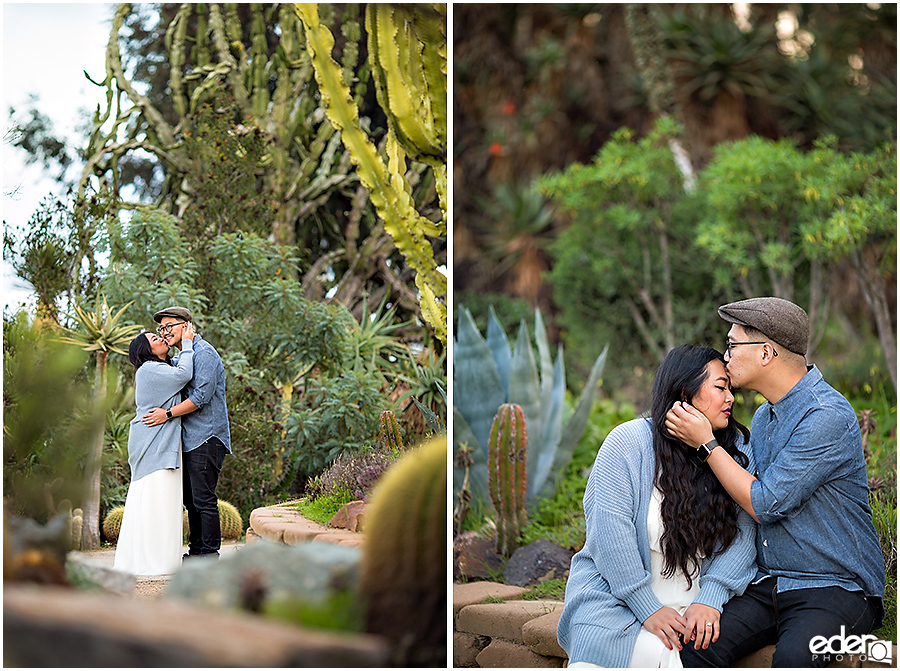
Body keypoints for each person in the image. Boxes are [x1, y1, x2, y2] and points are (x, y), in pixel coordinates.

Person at [666, 297, 884, 668]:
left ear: (766, 353)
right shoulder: (766, 416)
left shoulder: (824, 416)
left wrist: (706, 444)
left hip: (837, 589)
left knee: (795, 659)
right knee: (696, 647)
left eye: (733, 345)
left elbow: (765, 503)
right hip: (772, 585)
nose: (726, 355)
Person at [557, 345, 758, 668]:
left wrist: (712, 598)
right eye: (720, 387)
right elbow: (610, 533)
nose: (730, 398)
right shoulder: (627, 443)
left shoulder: (736, 452)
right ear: (684, 391)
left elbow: (745, 534)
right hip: (616, 602)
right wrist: (647, 606)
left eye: (730, 389)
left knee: (684, 655)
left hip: (693, 608)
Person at [141, 307, 232, 560]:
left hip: (207, 437)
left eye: (169, 326)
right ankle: (196, 553)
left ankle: (209, 555)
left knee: (203, 500)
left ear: (186, 325)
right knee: (191, 501)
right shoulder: (185, 356)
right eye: (162, 328)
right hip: (190, 439)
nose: (165, 332)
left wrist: (166, 414)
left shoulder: (204, 353)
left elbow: (200, 398)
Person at [115, 323, 195, 575]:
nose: (160, 337)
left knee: (161, 502)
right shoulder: (149, 369)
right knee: (154, 500)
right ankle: (152, 563)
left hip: (160, 443)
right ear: (144, 349)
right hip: (153, 445)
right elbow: (184, 375)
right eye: (153, 337)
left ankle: (157, 561)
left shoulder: (160, 367)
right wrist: (189, 342)